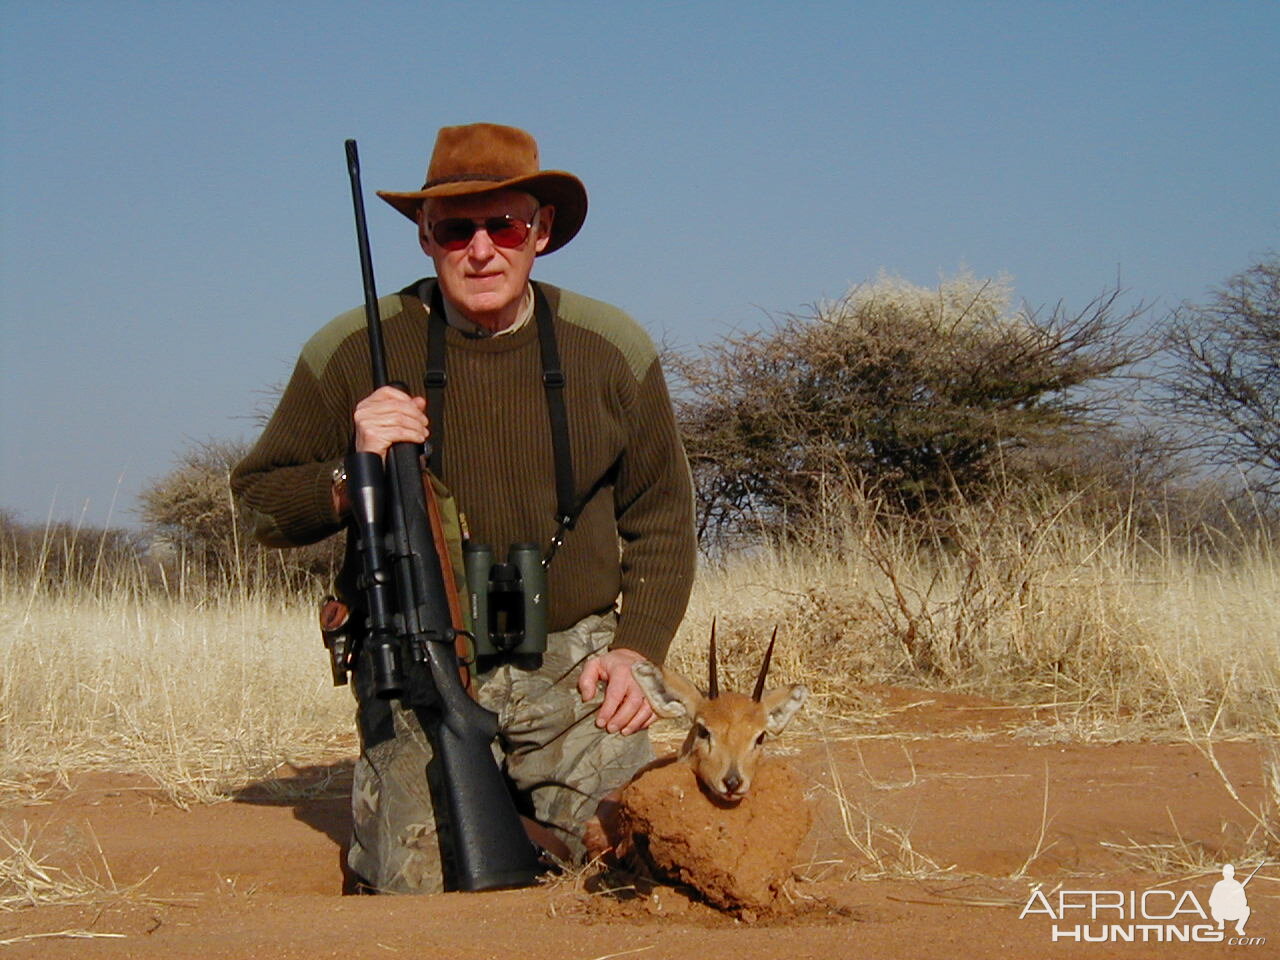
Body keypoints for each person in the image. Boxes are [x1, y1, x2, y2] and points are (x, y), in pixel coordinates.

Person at [231, 123, 696, 893]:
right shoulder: (352, 348)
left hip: (575, 668)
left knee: (638, 852)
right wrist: (354, 473)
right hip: (423, 665)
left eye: (505, 225)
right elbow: (257, 506)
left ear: (541, 232)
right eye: (455, 229)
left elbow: (664, 518)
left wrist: (635, 653)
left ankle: (535, 817)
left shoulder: (610, 347)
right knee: (421, 884)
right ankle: (479, 822)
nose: (482, 250)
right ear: (424, 237)